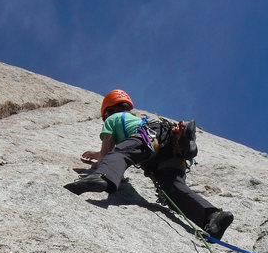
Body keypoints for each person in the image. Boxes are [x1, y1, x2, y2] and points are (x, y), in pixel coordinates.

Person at [64, 89, 234, 240]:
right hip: (167, 149)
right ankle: (212, 218)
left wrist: (100, 162)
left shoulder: (114, 117)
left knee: (120, 153)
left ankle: (102, 178)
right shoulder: (134, 118)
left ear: (108, 110)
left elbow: (109, 145)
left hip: (148, 139)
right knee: (173, 188)